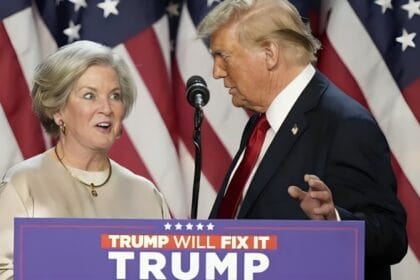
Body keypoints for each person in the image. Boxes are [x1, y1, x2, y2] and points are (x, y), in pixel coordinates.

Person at [198, 0, 407, 279]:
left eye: (224, 56)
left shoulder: (345, 124)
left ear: (269, 54)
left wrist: (335, 221)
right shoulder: (260, 125)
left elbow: (392, 237)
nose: (217, 72)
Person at [0, 40, 170, 279]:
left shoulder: (146, 194)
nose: (107, 108)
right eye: (90, 95)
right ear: (58, 111)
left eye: (115, 96)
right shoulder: (23, 184)